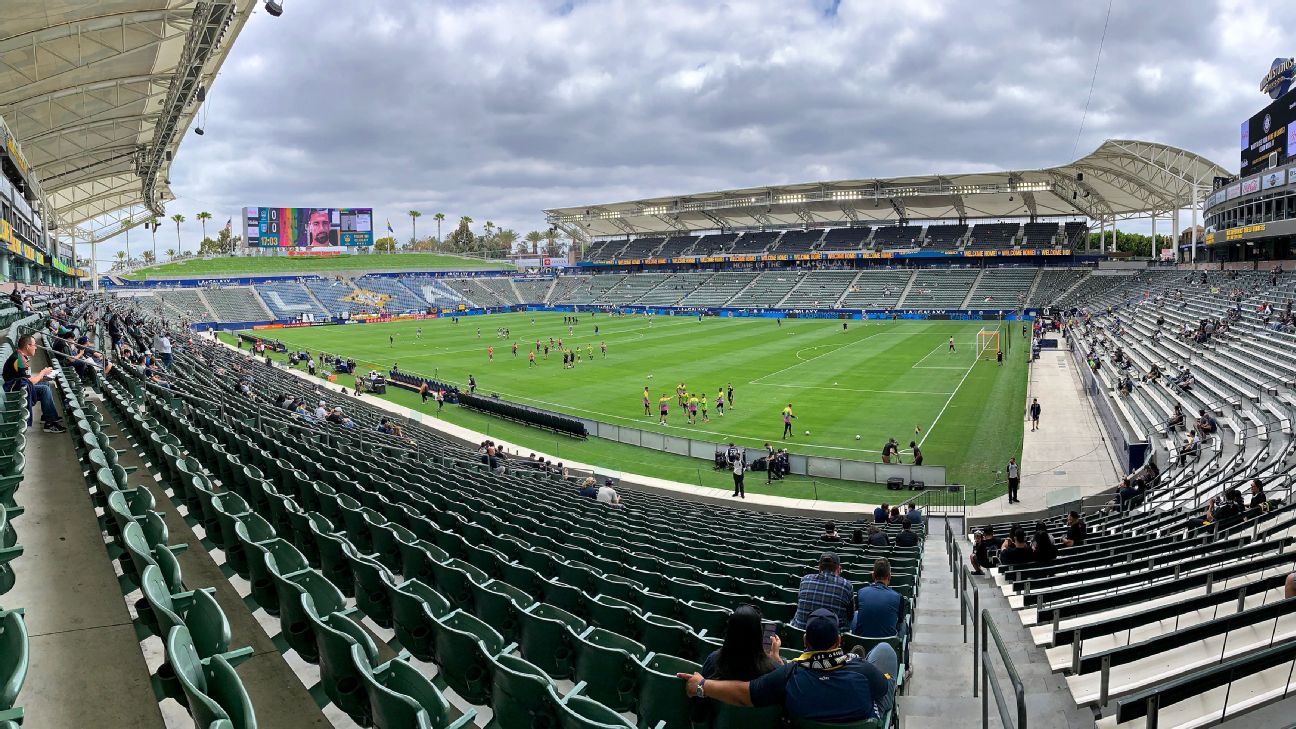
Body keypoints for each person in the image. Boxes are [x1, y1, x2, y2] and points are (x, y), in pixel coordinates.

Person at [677, 608, 897, 724]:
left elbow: (745, 693)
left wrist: (703, 685)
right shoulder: (861, 669)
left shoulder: (787, 675)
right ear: (838, 641)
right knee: (885, 652)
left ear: (804, 641)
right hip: (861, 711)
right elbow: (882, 691)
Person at [3, 335, 64, 432]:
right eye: (34, 345)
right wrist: (42, 373)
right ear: (28, 346)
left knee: (45, 384)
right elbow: (30, 381)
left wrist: (43, 376)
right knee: (44, 389)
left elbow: (27, 379)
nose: (36, 347)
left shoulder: (20, 356)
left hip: (19, 386)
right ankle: (50, 423)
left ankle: (48, 416)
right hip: (14, 391)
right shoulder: (19, 360)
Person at [789, 554, 855, 630]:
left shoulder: (805, 579)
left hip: (800, 635)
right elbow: (850, 617)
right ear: (838, 568)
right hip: (832, 639)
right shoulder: (846, 585)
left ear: (819, 567)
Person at [851, 559, 906, 639]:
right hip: (887, 644)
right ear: (889, 577)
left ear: (873, 576)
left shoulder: (861, 592)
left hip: (861, 642)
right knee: (904, 622)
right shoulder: (898, 597)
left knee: (855, 615)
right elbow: (899, 623)